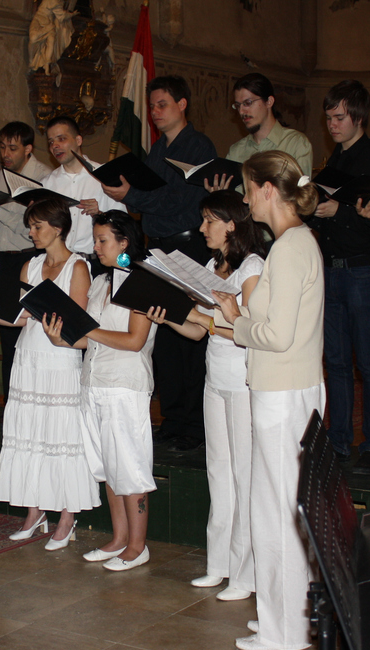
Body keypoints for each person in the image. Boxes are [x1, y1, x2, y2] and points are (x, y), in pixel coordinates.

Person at [210, 151, 323, 650]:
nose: (245, 198)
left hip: (282, 391)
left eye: (248, 188)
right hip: (283, 388)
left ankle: (287, 629)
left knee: (278, 511)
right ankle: (283, 615)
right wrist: (238, 312)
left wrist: (236, 320)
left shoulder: (291, 247)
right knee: (275, 506)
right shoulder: (293, 243)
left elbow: (276, 336)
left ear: (267, 190)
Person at [147, 190, 267, 601]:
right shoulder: (213, 267)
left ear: (232, 224)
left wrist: (204, 316)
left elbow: (249, 330)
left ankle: (246, 574)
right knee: (218, 470)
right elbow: (199, 331)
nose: (202, 228)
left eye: (209, 220)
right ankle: (220, 564)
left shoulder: (252, 268)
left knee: (244, 474)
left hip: (243, 380)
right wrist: (169, 316)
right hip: (215, 377)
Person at [102, 75, 217, 454]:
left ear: (182, 104)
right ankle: (172, 418)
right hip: (159, 249)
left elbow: (180, 201)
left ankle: (195, 424)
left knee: (190, 336)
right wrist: (127, 194)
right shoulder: (156, 150)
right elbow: (146, 200)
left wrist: (133, 195)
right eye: (151, 106)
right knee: (165, 335)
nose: (154, 112)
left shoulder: (198, 146)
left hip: (189, 247)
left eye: (162, 104)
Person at [43, 210, 157, 572]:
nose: (96, 246)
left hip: (124, 385)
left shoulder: (142, 281)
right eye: (94, 239)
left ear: (124, 242)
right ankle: (119, 538)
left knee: (130, 468)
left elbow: (135, 340)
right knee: (109, 466)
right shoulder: (100, 282)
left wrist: (87, 331)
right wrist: (61, 339)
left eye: (103, 240)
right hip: (93, 382)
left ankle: (138, 546)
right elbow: (90, 340)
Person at [0, 198, 96, 548]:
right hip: (29, 357)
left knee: (61, 436)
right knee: (28, 433)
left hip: (59, 360)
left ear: (58, 228)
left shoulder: (78, 267)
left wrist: (46, 316)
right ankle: (34, 512)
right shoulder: (29, 265)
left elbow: (77, 323)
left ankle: (67, 517)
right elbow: (19, 316)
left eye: (37, 226)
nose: (31, 233)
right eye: (30, 226)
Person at [307, 80, 370, 473]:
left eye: (339, 117)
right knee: (337, 361)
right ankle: (340, 440)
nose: (332, 124)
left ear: (358, 117)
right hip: (331, 269)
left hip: (362, 268)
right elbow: (323, 215)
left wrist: (339, 212)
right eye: (328, 117)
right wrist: (312, 210)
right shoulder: (334, 160)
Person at [0, 121, 52, 399]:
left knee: (31, 332)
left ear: (28, 149)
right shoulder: (2, 175)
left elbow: (32, 229)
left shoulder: (43, 177)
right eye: (3, 147)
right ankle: (10, 404)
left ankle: (34, 400)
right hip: (5, 260)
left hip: (32, 259)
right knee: (7, 333)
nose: (6, 154)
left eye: (13, 148)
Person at [41, 116, 125, 257]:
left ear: (78, 140)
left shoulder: (104, 175)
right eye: (51, 142)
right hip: (61, 260)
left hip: (96, 260)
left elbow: (123, 224)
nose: (55, 146)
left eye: (61, 139)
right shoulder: (46, 184)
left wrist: (100, 214)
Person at [224, 73, 313, 179]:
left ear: (269, 102)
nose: (242, 111)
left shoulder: (295, 143)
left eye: (248, 103)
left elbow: (302, 189)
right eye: (238, 105)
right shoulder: (236, 151)